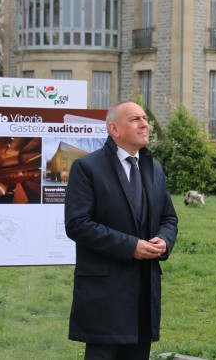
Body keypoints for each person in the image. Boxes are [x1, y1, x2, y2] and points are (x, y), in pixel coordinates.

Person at [64, 100, 178, 360]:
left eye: (145, 118)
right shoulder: (87, 168)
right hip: (105, 292)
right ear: (114, 129)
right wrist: (131, 247)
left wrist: (164, 240)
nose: (144, 124)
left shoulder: (154, 168)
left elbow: (169, 217)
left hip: (144, 290)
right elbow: (77, 224)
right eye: (135, 119)